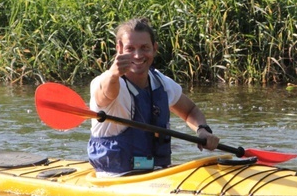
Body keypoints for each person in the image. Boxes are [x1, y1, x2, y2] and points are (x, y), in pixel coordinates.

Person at [88, 18, 220, 174]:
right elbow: (105, 94)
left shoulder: (161, 82)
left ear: (154, 48)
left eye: (144, 48)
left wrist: (202, 130)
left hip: (157, 172)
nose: (138, 55)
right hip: (114, 175)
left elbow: (190, 110)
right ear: (119, 49)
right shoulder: (105, 82)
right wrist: (113, 75)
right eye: (130, 48)